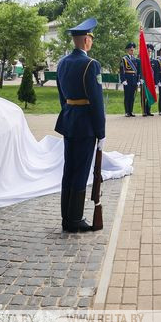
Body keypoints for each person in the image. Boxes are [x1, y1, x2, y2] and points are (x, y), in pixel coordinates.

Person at [54, 17, 105, 233]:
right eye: (91, 39)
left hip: (69, 121)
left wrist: (69, 112)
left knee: (69, 169)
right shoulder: (91, 65)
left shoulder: (62, 63)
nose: (91, 42)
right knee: (82, 170)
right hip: (85, 126)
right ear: (86, 40)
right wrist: (100, 131)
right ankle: (75, 219)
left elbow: (61, 96)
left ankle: (67, 216)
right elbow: (97, 101)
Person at [119, 42, 139, 117]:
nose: (132, 51)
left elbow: (136, 71)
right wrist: (123, 80)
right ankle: (127, 111)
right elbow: (122, 70)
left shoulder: (135, 59)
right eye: (131, 50)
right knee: (127, 96)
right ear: (127, 50)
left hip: (134, 80)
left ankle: (131, 111)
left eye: (133, 50)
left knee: (132, 96)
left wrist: (137, 80)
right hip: (127, 80)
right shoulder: (124, 59)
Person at [140, 44, 154, 117]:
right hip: (144, 81)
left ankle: (148, 110)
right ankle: (144, 111)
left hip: (150, 81)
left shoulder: (152, 61)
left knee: (149, 96)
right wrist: (141, 79)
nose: (149, 53)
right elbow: (140, 70)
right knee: (144, 96)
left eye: (150, 51)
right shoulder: (142, 60)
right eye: (148, 51)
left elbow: (154, 72)